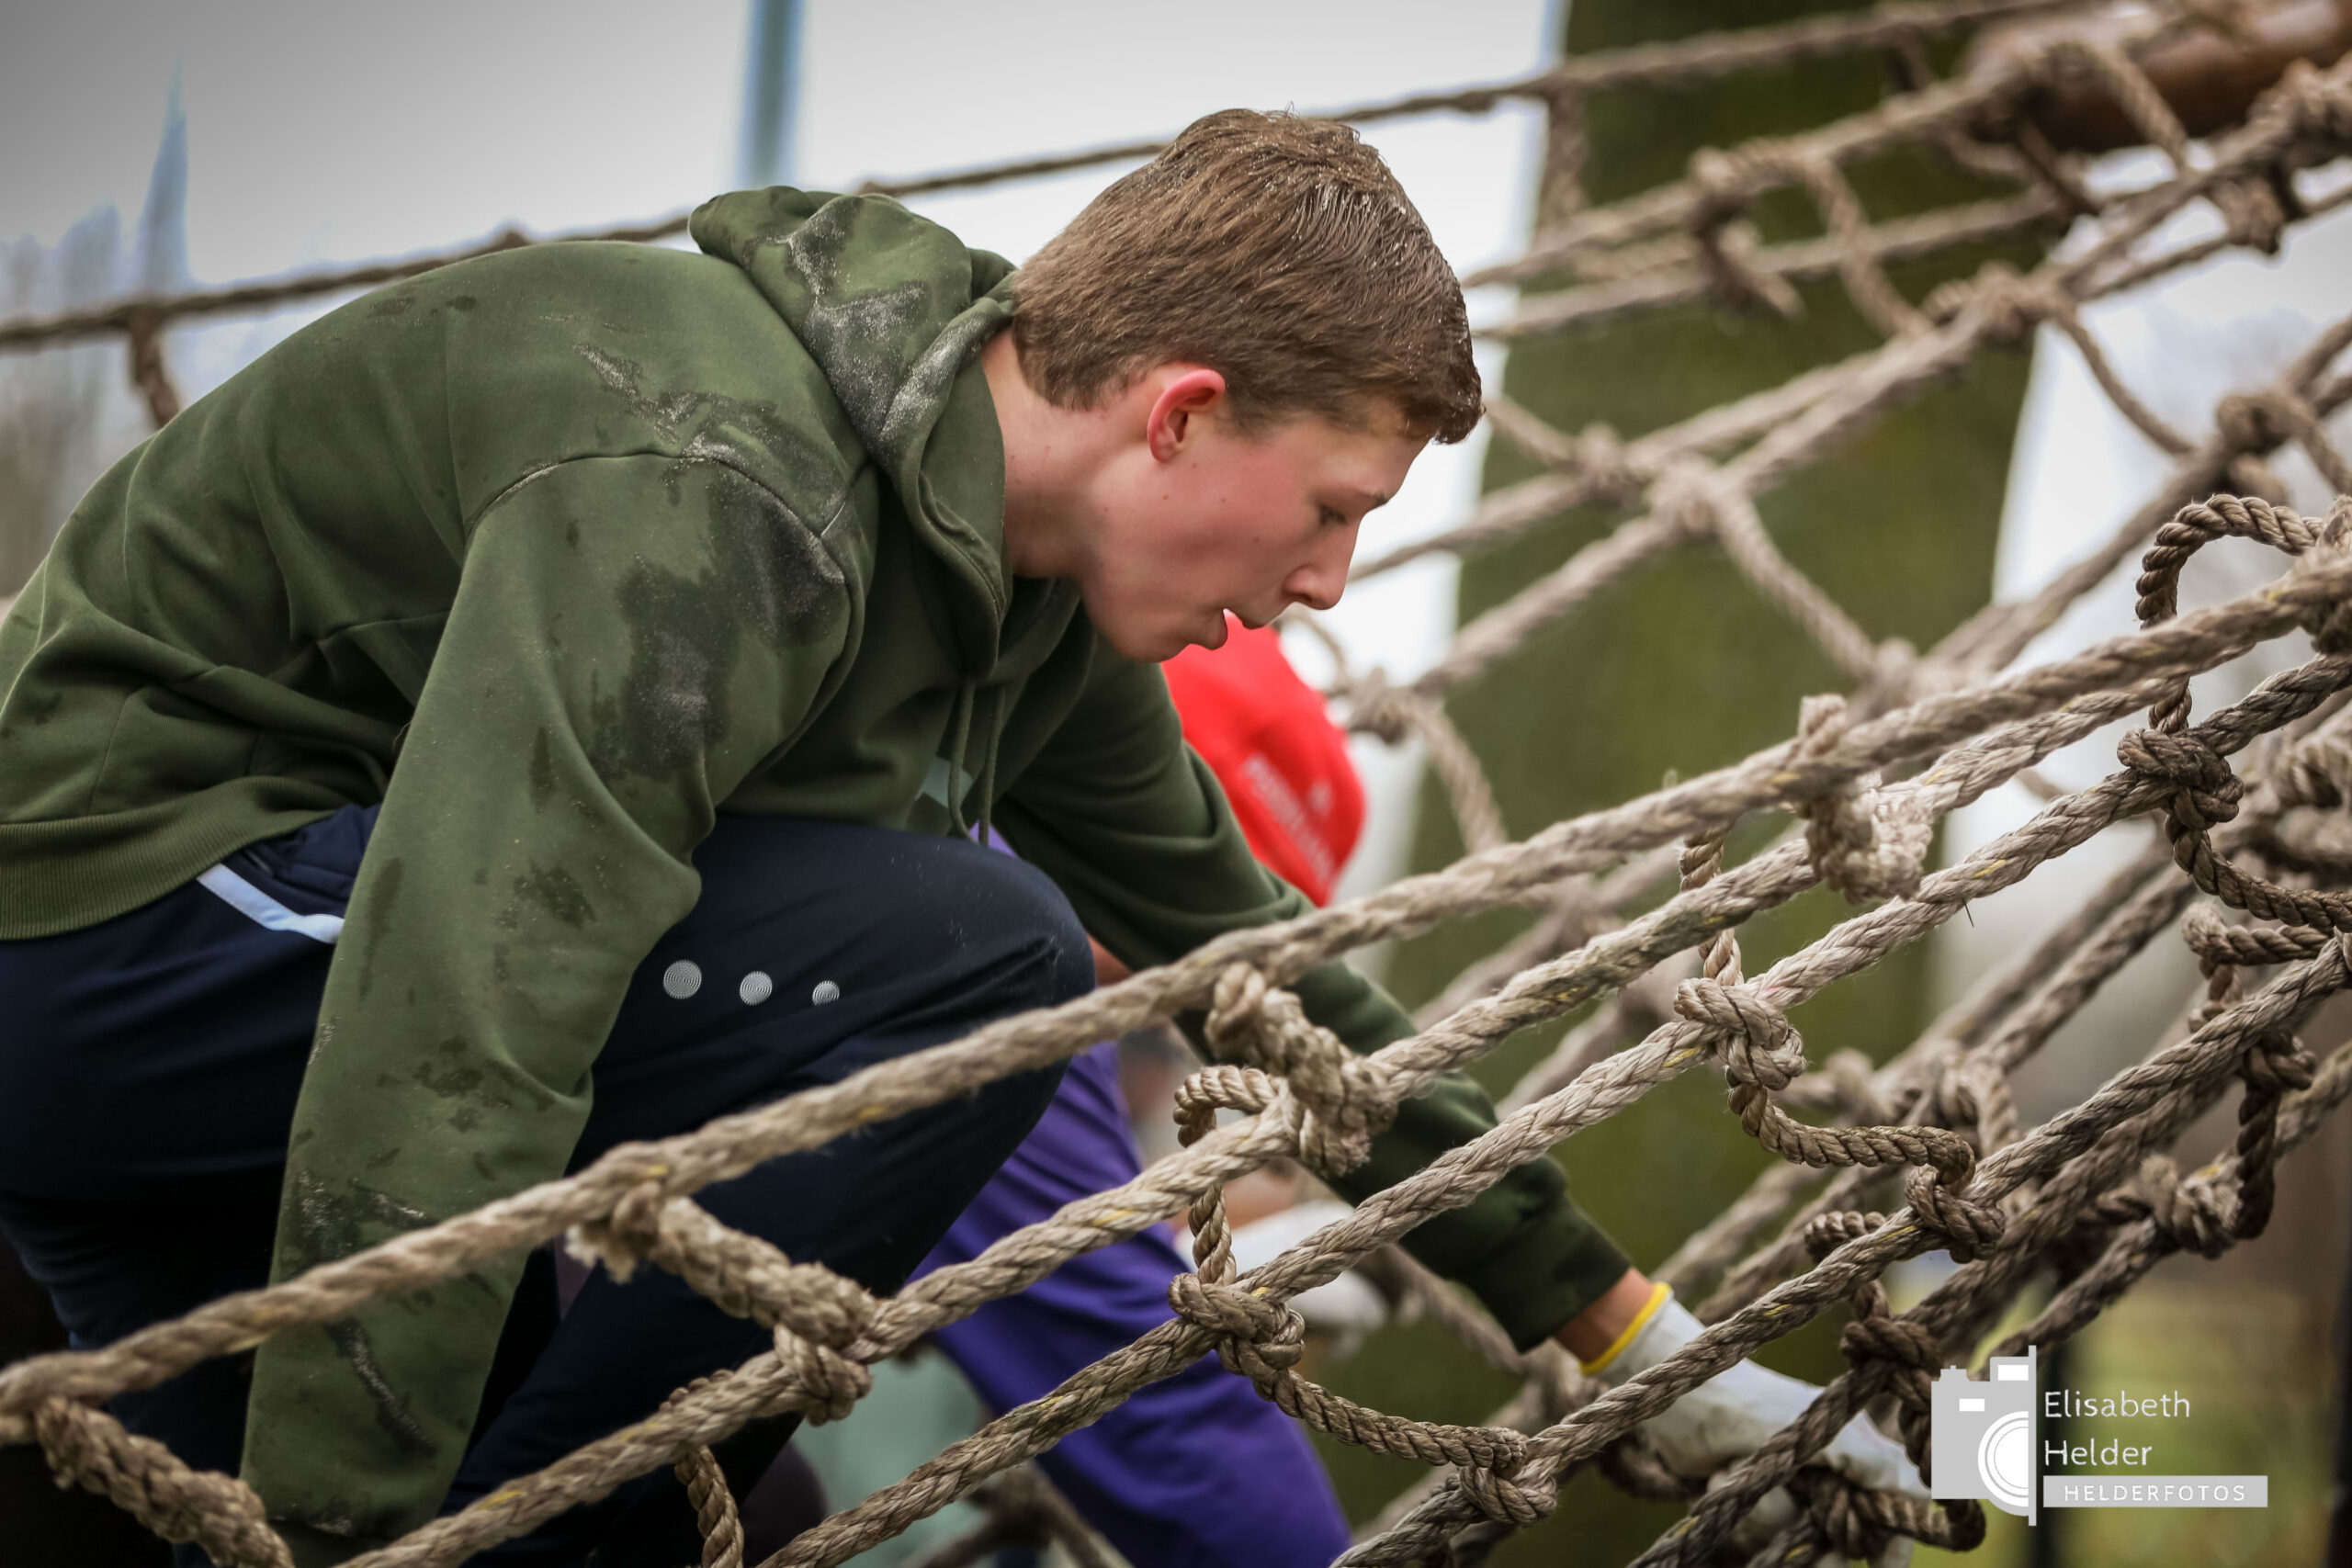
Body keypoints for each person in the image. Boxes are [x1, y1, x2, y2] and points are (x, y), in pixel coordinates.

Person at [0, 111, 1917, 1568]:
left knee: (607, 1495)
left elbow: (1262, 973)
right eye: (1329, 509)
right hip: (117, 928)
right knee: (978, 955)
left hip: (248, 1063)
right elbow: (466, 997)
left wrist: (1625, 1335)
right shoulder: (723, 489)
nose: (1328, 584)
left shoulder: (1022, 610)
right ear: (1179, 415)